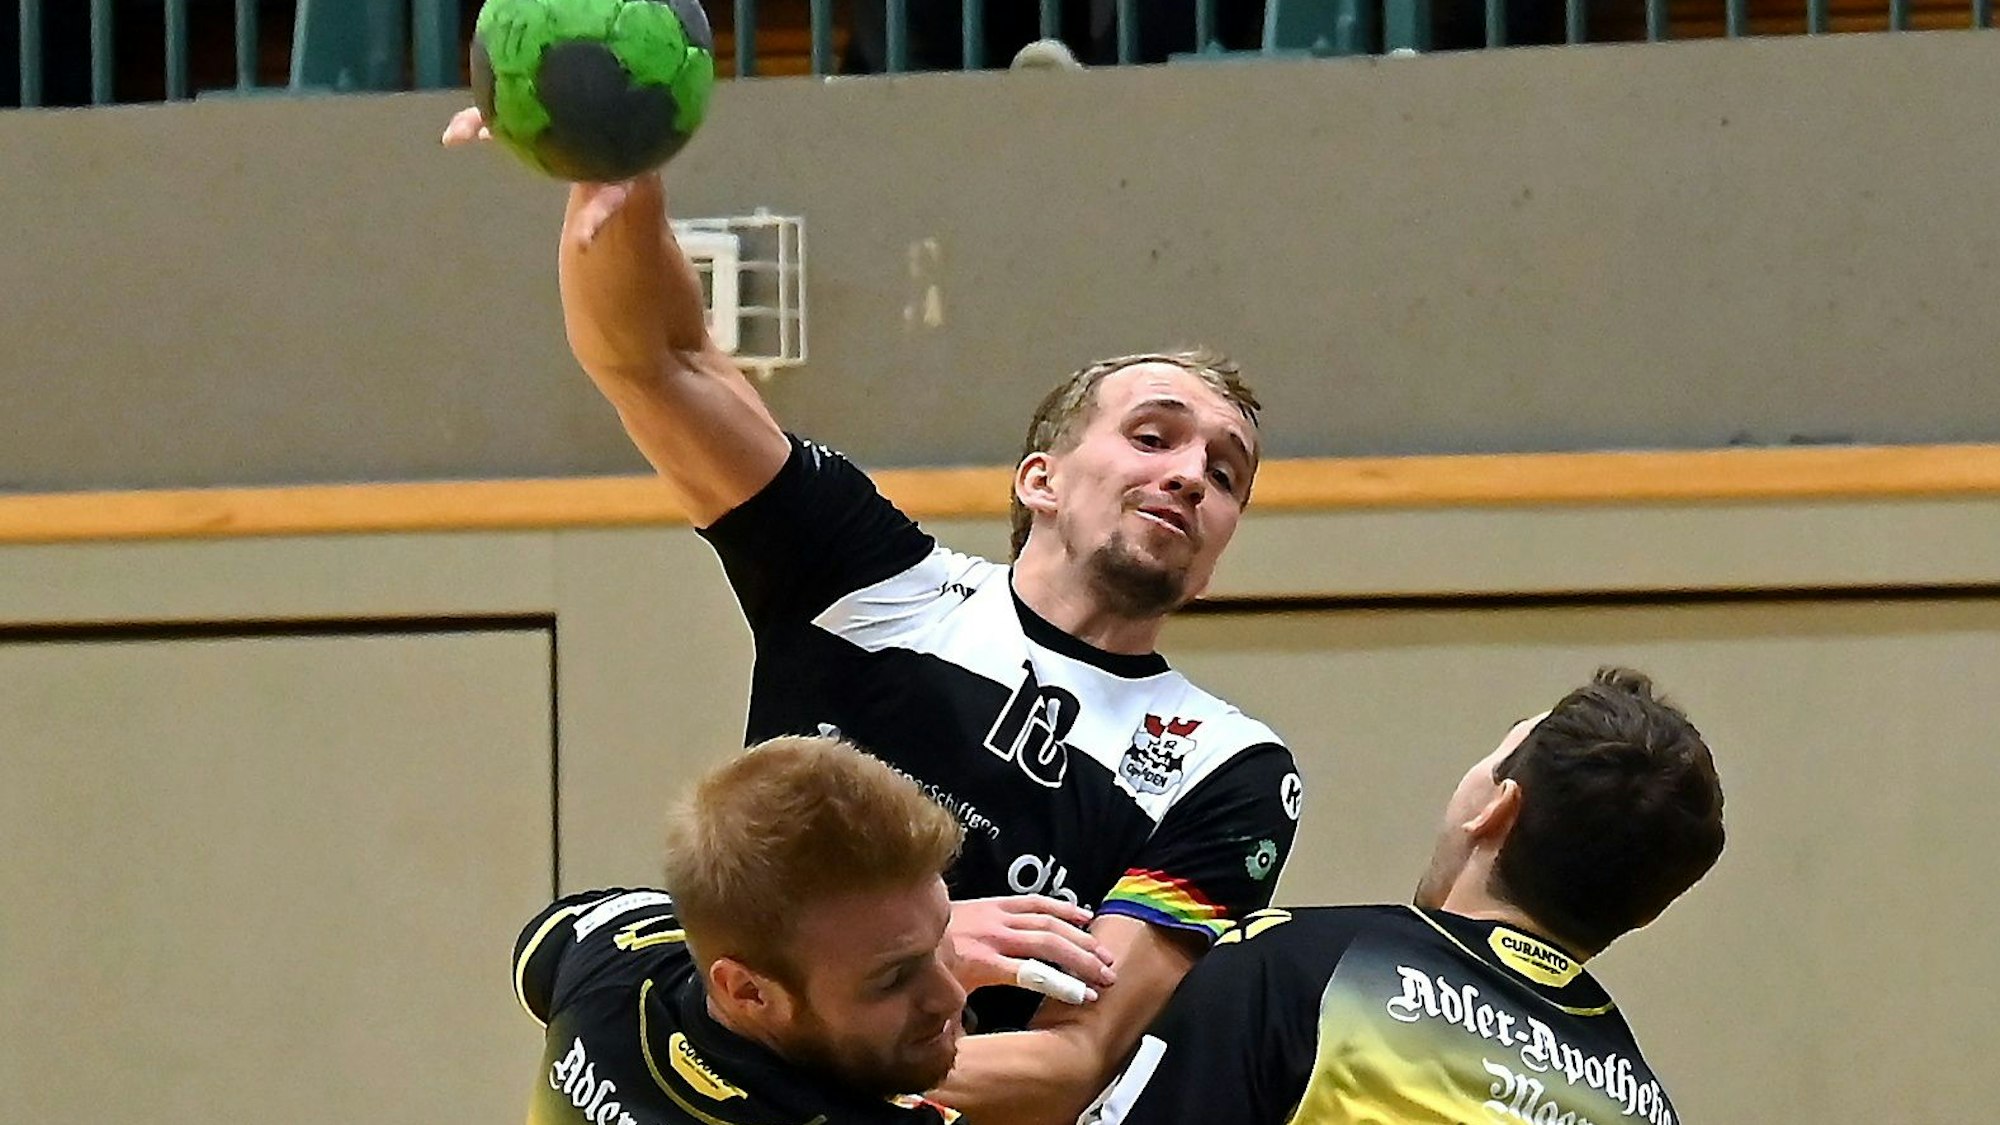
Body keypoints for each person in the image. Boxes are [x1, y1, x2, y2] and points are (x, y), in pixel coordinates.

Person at [443, 108, 1306, 1125]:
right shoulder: (870, 577)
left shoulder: (1229, 766)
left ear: (1210, 564)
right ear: (1038, 478)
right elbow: (662, 363)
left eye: (1224, 474)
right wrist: (618, 176)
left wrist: (811, 1077)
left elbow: (1069, 1069)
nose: (1189, 477)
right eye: (1153, 436)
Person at [1087, 668, 1725, 1125]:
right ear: (1649, 907)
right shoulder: (1642, 1102)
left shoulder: (1299, 967)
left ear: (1498, 809)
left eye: (1497, 755)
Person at [515, 735, 972, 1124]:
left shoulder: (607, 953)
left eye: (942, 933)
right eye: (893, 977)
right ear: (748, 991)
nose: (953, 995)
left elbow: (544, 942)